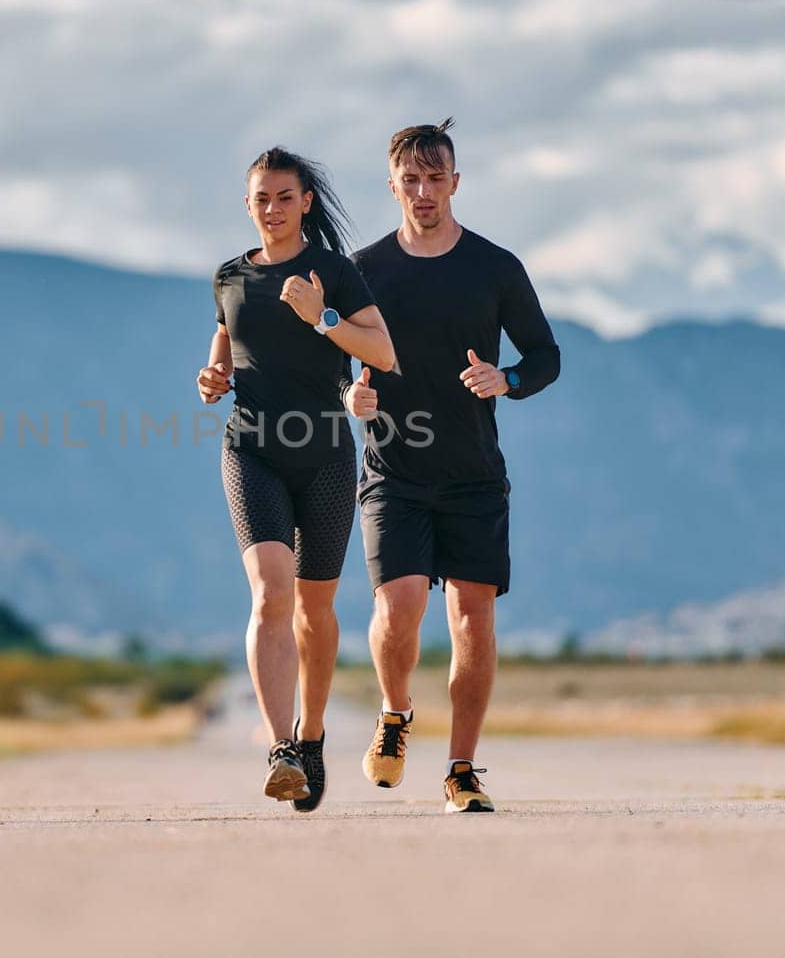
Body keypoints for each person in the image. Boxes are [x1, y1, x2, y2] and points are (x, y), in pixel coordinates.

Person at [340, 119, 560, 812]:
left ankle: (462, 769)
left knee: (472, 621)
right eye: (412, 179)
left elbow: (545, 357)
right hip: (393, 469)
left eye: (437, 178)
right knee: (399, 605)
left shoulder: (495, 267)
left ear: (456, 183)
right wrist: (350, 393)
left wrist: (508, 380)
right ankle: (395, 711)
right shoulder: (364, 269)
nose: (425, 191)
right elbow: (328, 357)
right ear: (393, 185)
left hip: (472, 475)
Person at [199, 148, 396, 810]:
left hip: (324, 458)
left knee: (315, 610)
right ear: (247, 204)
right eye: (262, 198)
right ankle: (282, 746)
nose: (274, 209)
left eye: (286, 196)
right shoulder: (228, 277)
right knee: (270, 593)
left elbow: (382, 352)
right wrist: (212, 379)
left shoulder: (335, 274)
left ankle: (311, 736)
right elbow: (223, 355)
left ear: (306, 200)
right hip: (250, 448)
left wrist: (323, 316)